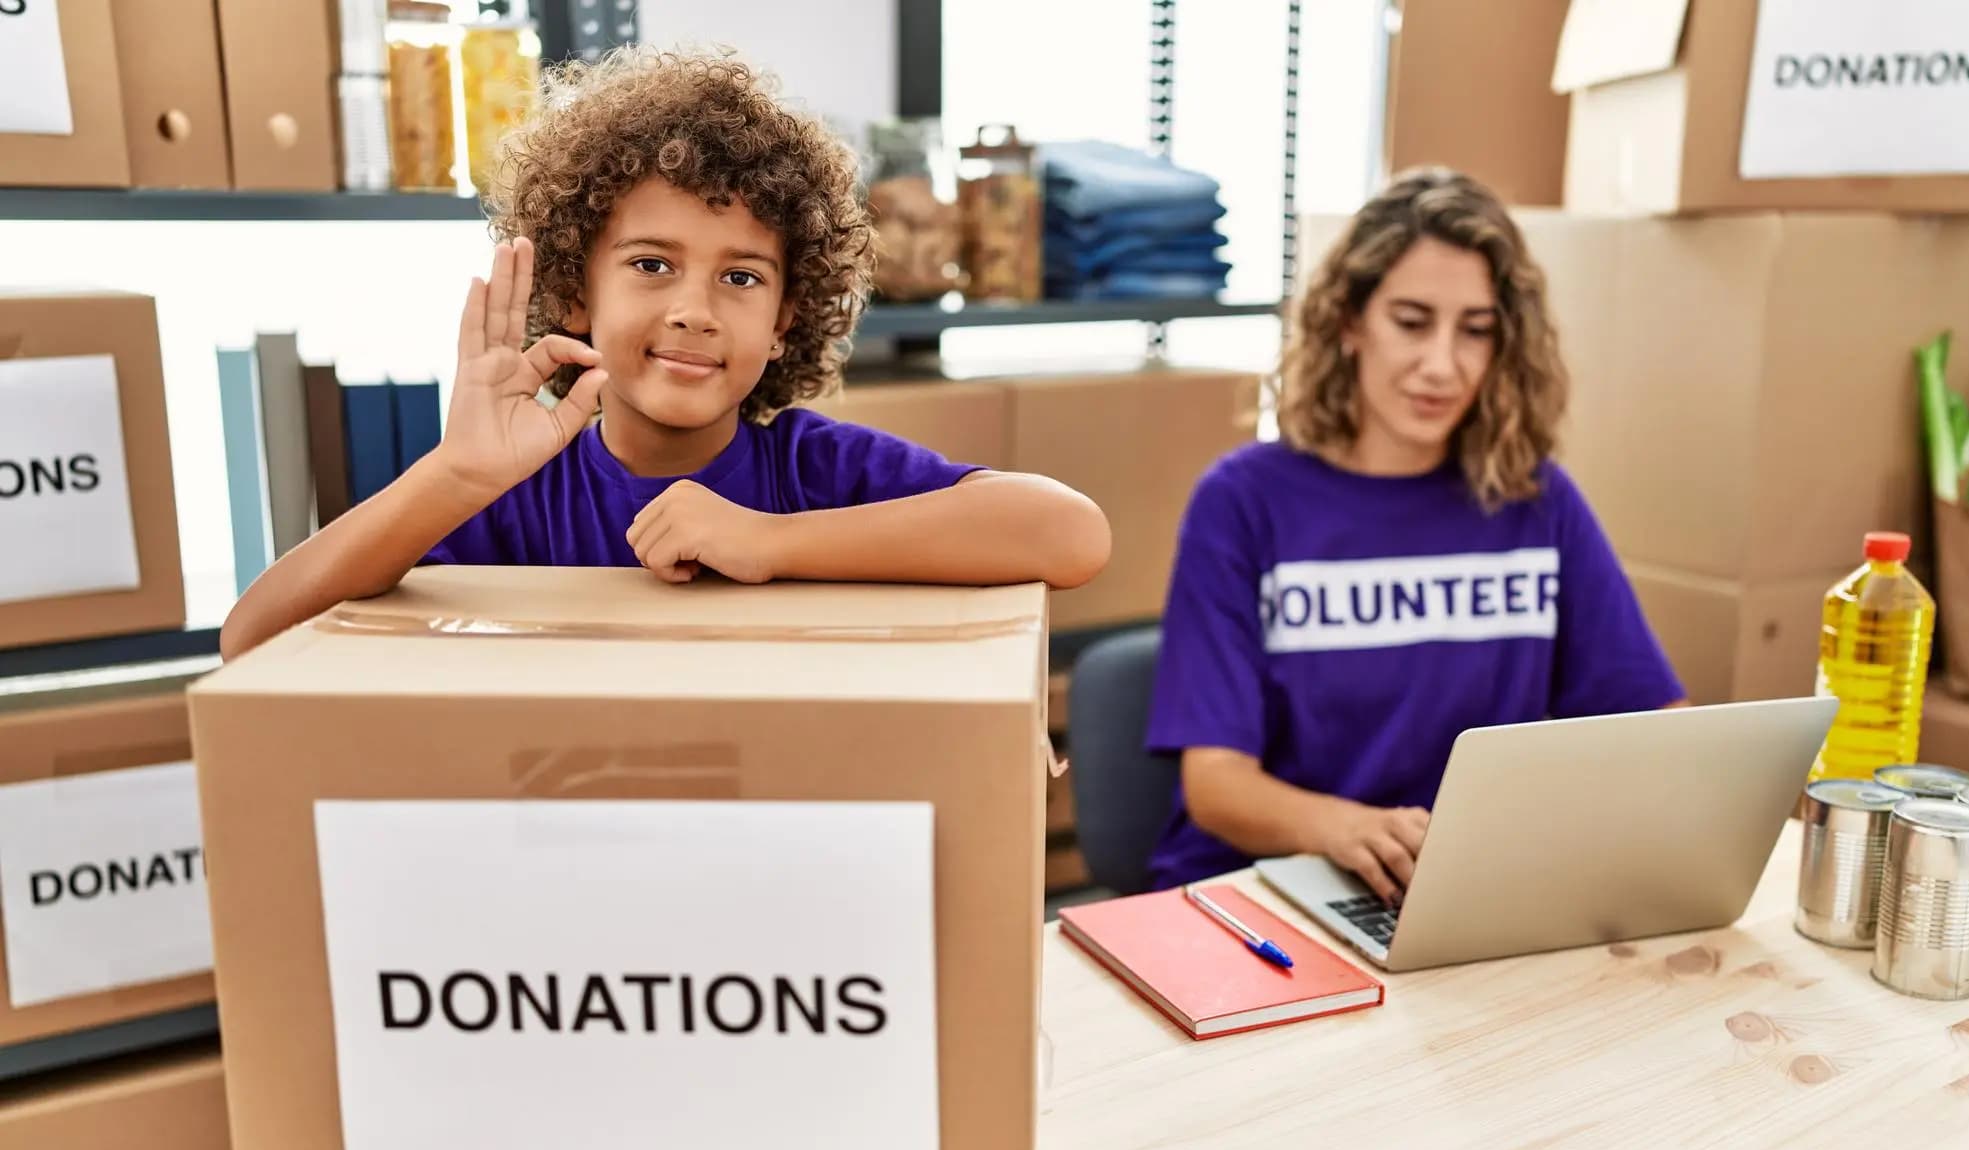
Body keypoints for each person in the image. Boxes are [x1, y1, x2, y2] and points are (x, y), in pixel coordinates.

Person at [221, 49, 1110, 660]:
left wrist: (772, 540)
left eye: (743, 278)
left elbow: (1071, 534)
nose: (695, 310)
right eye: (652, 265)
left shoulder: (812, 470)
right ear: (575, 291)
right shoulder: (511, 490)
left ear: (786, 318)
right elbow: (255, 637)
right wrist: (455, 476)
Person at [1146, 168, 1684, 902]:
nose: (1442, 365)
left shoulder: (1536, 501)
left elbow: (1658, 731)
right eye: (1411, 321)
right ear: (1348, 322)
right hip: (1267, 896)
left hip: (1460, 894)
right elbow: (1216, 786)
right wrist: (1348, 830)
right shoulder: (1242, 502)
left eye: (1474, 331)